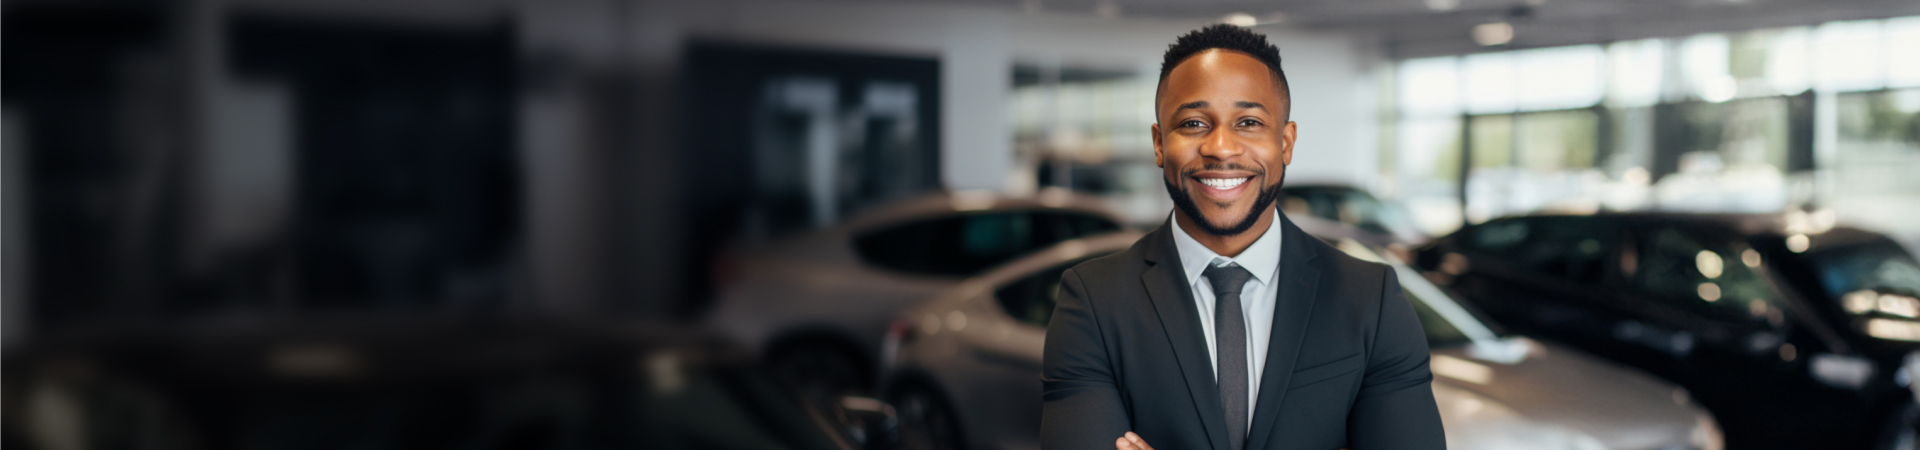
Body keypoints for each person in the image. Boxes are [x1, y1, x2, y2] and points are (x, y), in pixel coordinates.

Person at [1039, 25, 1445, 450]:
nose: (1221, 147)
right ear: (1160, 144)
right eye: (1194, 123)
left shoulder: (1371, 300)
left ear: (1285, 142)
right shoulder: (1093, 302)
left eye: (1249, 122)